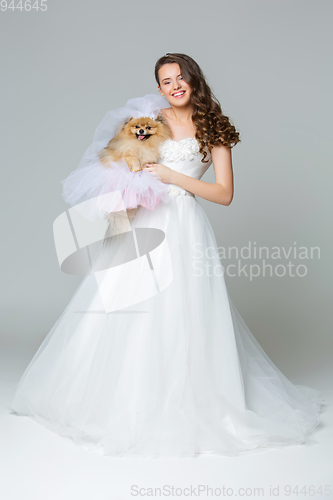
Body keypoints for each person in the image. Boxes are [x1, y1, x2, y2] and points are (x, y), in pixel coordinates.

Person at [8, 53, 323, 458]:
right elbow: (122, 160)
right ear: (158, 87)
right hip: (145, 221)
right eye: (165, 81)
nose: (173, 86)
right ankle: (123, 401)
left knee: (183, 310)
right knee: (126, 305)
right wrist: (127, 190)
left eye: (179, 78)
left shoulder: (214, 128)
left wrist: (176, 177)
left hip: (185, 226)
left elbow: (224, 194)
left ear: (193, 80)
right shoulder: (148, 121)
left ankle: (190, 401)